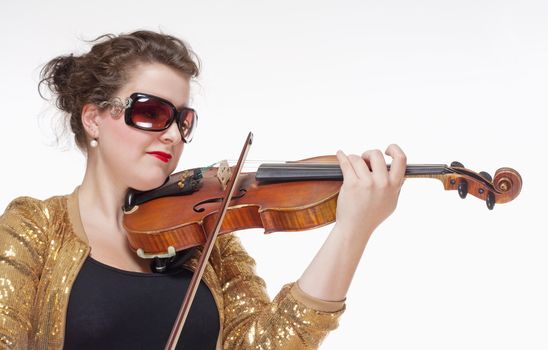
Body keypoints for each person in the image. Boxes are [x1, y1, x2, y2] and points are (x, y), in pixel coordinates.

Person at [0, 30, 406, 349]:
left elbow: (266, 345)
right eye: (152, 112)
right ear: (93, 118)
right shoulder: (34, 228)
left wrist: (352, 231)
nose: (174, 134)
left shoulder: (210, 241)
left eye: (183, 120)